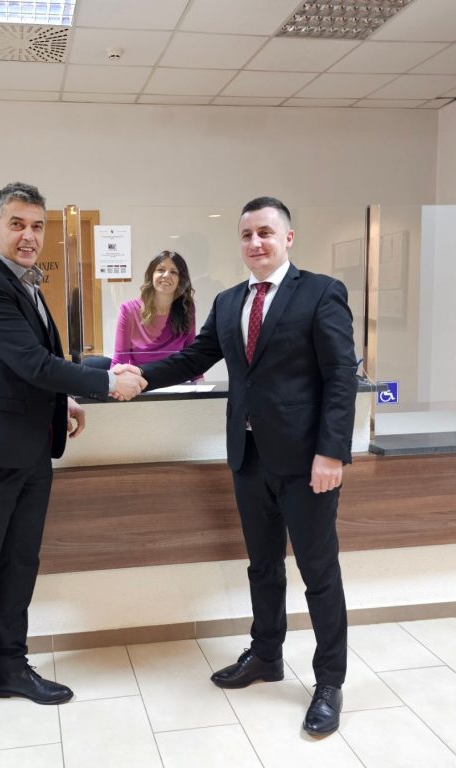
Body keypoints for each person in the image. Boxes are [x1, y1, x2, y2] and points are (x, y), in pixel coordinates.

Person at [139, 197, 357, 736]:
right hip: (248, 456)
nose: (255, 243)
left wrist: (332, 452)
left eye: (265, 232)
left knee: (319, 574)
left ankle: (329, 682)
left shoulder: (321, 292)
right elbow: (194, 358)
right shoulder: (229, 300)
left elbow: (340, 377)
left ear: (288, 238)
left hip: (307, 462)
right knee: (262, 566)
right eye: (246, 235)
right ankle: (266, 654)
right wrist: (136, 376)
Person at [0, 182, 146, 737]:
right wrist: (106, 382)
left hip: (30, 450)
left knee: (20, 565)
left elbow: (33, 365)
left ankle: (10, 667)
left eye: (37, 226)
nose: (29, 235)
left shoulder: (27, 284)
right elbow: (32, 363)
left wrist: (72, 394)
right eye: (17, 224)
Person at [111, 251, 198, 371]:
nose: (166, 275)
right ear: (151, 275)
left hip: (176, 381)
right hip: (140, 381)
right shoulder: (128, 311)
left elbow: (191, 358)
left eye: (173, 272)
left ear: (180, 280)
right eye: (161, 270)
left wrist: (200, 381)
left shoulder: (187, 309)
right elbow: (119, 363)